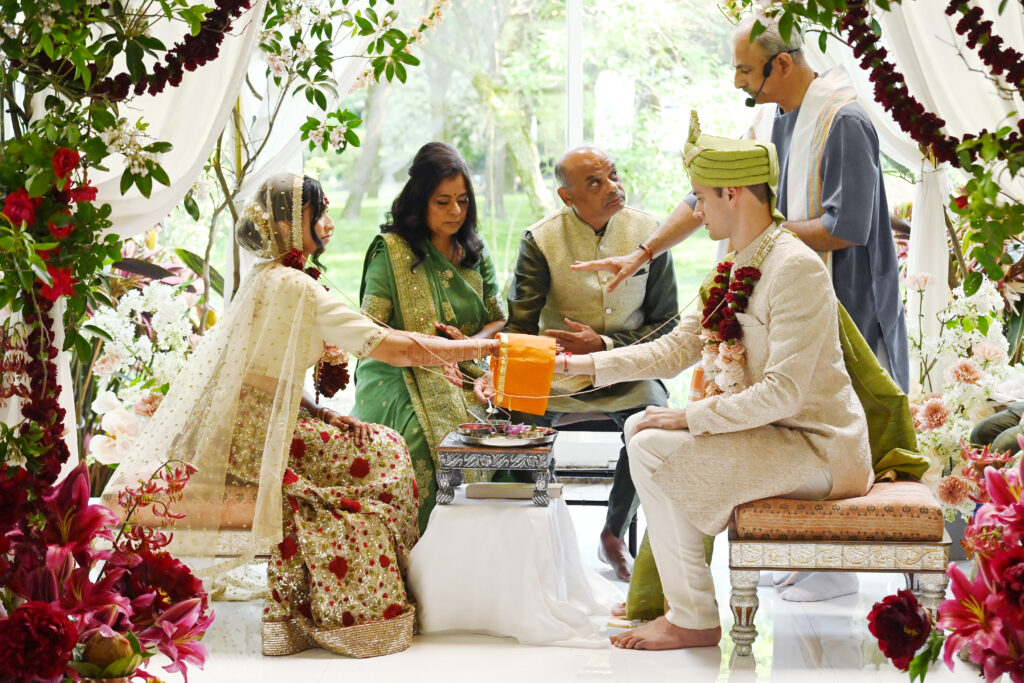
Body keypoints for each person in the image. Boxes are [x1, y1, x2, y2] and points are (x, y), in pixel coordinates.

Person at [102, 172, 502, 658]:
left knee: (379, 444)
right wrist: (480, 348)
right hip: (262, 441)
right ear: (289, 225)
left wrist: (321, 412)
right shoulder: (296, 286)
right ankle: (374, 598)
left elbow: (264, 370)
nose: (330, 226)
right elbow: (392, 347)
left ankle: (392, 581)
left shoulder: (268, 277)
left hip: (258, 426)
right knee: (388, 455)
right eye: (320, 215)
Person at [550, 114, 873, 650]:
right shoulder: (734, 264)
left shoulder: (795, 267)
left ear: (732, 192)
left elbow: (785, 393)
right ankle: (690, 611)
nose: (696, 211)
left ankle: (693, 616)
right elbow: (676, 348)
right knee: (642, 433)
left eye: (700, 198)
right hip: (773, 438)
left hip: (818, 448)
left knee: (654, 443)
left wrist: (688, 416)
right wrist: (582, 367)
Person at [574, 14, 908, 396]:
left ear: (782, 63)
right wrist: (643, 253)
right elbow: (709, 193)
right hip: (775, 296)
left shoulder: (843, 120)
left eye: (746, 70)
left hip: (844, 300)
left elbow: (843, 228)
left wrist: (756, 240)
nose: (738, 83)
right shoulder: (765, 117)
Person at [495, 144, 677, 582]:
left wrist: (606, 344)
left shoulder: (652, 235)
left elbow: (667, 326)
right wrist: (543, 365)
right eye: (595, 182)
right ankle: (543, 528)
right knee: (515, 424)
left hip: (627, 369)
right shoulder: (540, 239)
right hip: (558, 373)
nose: (613, 187)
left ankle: (614, 534)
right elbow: (521, 326)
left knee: (653, 421)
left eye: (613, 175)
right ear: (567, 197)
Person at [353, 142, 507, 533]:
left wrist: (464, 346)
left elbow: (497, 320)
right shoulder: (391, 251)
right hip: (396, 367)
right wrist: (437, 351)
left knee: (500, 438)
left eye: (462, 201)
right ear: (421, 200)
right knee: (421, 439)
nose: (455, 212)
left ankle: (480, 554)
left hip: (469, 367)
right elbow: (372, 330)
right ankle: (419, 557)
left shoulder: (474, 250)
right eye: (442, 202)